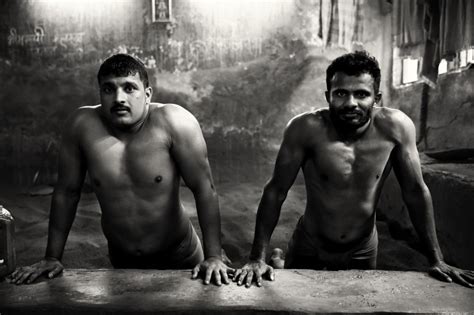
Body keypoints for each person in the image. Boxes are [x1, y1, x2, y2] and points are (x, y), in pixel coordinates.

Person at [234, 50, 474, 288]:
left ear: (377, 98)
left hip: (362, 248)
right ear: (328, 96)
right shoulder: (304, 128)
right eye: (341, 93)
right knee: (295, 296)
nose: (351, 103)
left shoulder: (396, 128)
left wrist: (437, 260)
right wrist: (256, 258)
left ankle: (279, 260)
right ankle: (277, 260)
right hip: (310, 242)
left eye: (361, 94)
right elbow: (276, 190)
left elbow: (415, 191)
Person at [9, 54, 233, 286]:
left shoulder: (174, 122)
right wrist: (52, 257)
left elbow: (205, 188)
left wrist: (214, 256)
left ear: (147, 94)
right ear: (100, 94)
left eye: (129, 88)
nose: (119, 98)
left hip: (179, 254)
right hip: (122, 259)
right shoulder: (81, 126)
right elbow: (67, 193)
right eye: (108, 89)